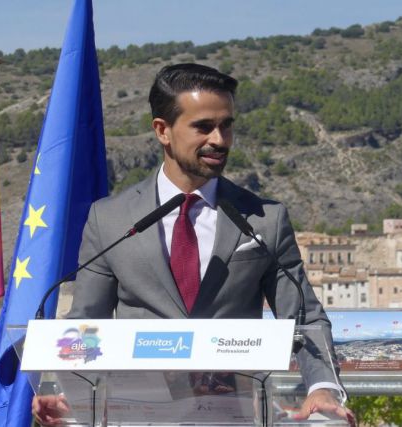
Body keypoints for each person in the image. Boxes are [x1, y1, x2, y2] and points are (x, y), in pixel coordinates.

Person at [32, 63, 353, 425]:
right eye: (203, 127)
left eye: (227, 125)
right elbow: (87, 324)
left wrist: (322, 388)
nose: (219, 139)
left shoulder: (265, 219)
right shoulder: (109, 220)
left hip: (236, 414)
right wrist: (72, 400)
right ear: (162, 131)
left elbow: (304, 318)